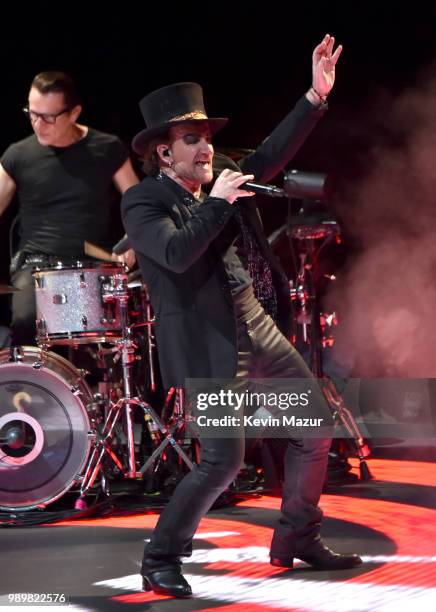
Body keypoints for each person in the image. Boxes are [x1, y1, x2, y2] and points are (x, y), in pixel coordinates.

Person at [122, 34, 361, 599]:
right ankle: (159, 558)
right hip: (210, 345)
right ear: (163, 153)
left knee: (312, 426)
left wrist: (314, 96)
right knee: (223, 463)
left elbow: (269, 157)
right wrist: (216, 202)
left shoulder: (220, 176)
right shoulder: (143, 203)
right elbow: (178, 253)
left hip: (256, 325)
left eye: (207, 138)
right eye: (192, 140)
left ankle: (297, 537)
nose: (206, 150)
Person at [0, 71, 139, 345]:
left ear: (74, 112)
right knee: (27, 321)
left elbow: (139, 204)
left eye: (48, 117)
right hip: (35, 266)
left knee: (116, 334)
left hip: (93, 262)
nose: (38, 124)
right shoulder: (17, 155)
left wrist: (133, 245)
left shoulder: (107, 148)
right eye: (32, 113)